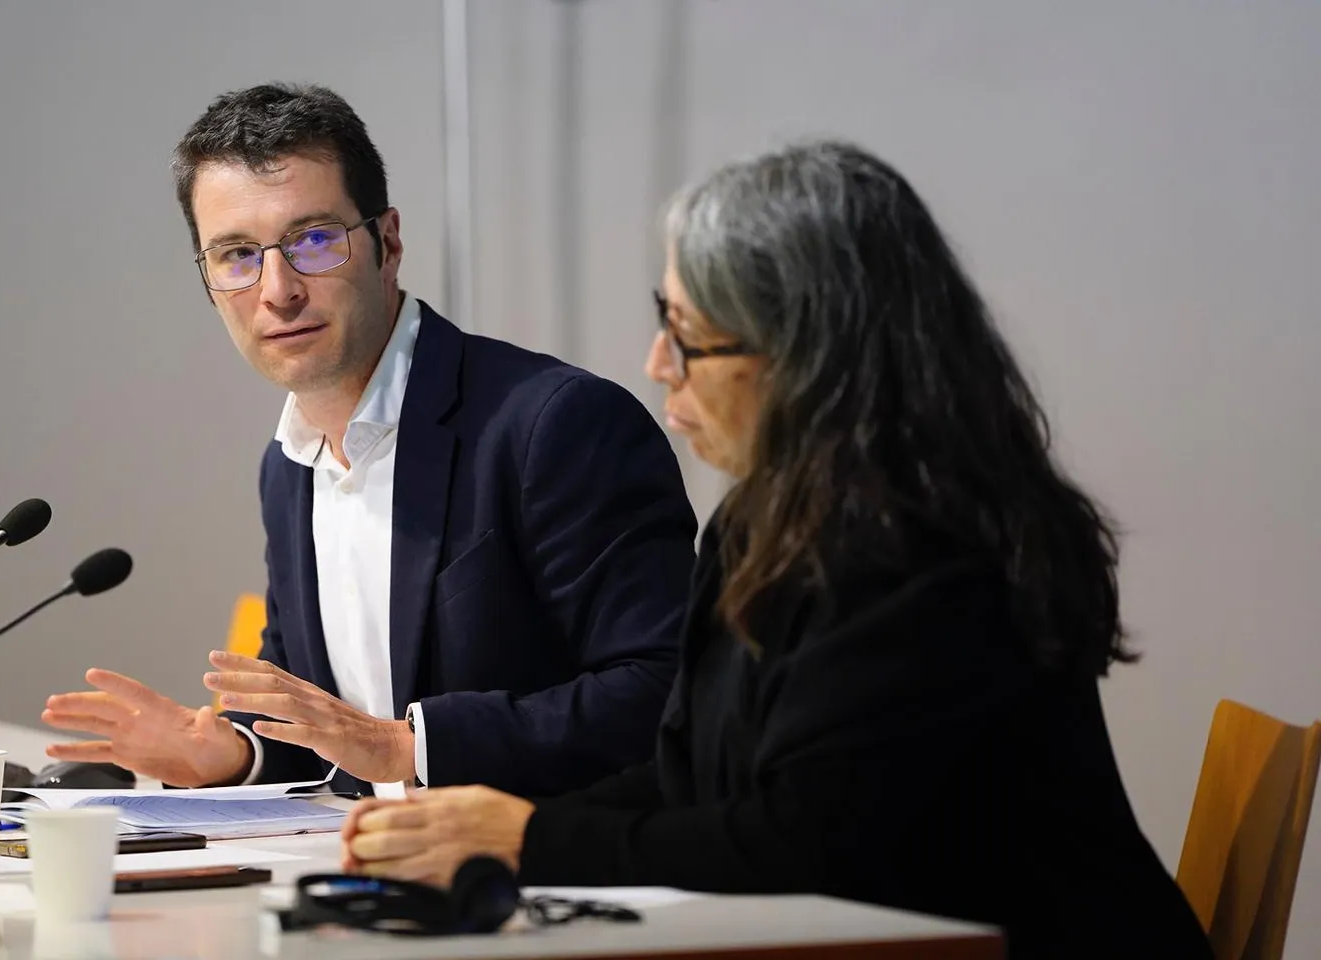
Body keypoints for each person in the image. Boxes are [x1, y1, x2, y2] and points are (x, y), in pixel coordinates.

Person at [339, 141, 1215, 957]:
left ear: (805, 357)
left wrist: (529, 838)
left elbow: (803, 841)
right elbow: (687, 779)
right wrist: (483, 827)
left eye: (687, 332)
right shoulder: (770, 515)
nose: (656, 361)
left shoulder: (922, 547)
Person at [40, 83, 697, 798]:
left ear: (388, 243)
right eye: (235, 255)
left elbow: (663, 693)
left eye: (313, 240)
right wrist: (232, 756)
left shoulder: (554, 426)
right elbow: (317, 731)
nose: (277, 290)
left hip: (552, 880)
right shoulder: (289, 463)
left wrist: (408, 746)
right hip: (375, 878)